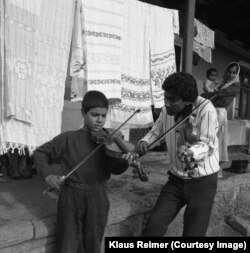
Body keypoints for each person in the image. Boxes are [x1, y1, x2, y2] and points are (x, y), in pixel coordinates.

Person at [33, 90, 134, 253]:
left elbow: (114, 169)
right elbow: (39, 153)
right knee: (67, 243)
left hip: (97, 196)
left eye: (103, 115)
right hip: (71, 195)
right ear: (83, 113)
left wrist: (123, 162)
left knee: (93, 243)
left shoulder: (108, 141)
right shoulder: (67, 138)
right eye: (95, 115)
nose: (100, 120)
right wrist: (47, 174)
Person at [138, 72, 219, 237]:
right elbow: (157, 129)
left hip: (202, 183)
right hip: (175, 180)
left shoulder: (205, 108)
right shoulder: (166, 110)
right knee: (154, 224)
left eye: (172, 99)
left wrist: (191, 152)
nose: (166, 103)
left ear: (188, 99)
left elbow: (208, 143)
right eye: (165, 97)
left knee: (193, 235)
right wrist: (145, 142)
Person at [203, 62, 241, 178]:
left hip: (219, 113)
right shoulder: (221, 83)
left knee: (216, 140)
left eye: (234, 72)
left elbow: (219, 94)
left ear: (237, 74)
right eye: (229, 71)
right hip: (211, 110)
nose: (231, 74)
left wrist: (209, 93)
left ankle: (217, 169)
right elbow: (210, 94)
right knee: (207, 138)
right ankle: (208, 166)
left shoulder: (235, 85)